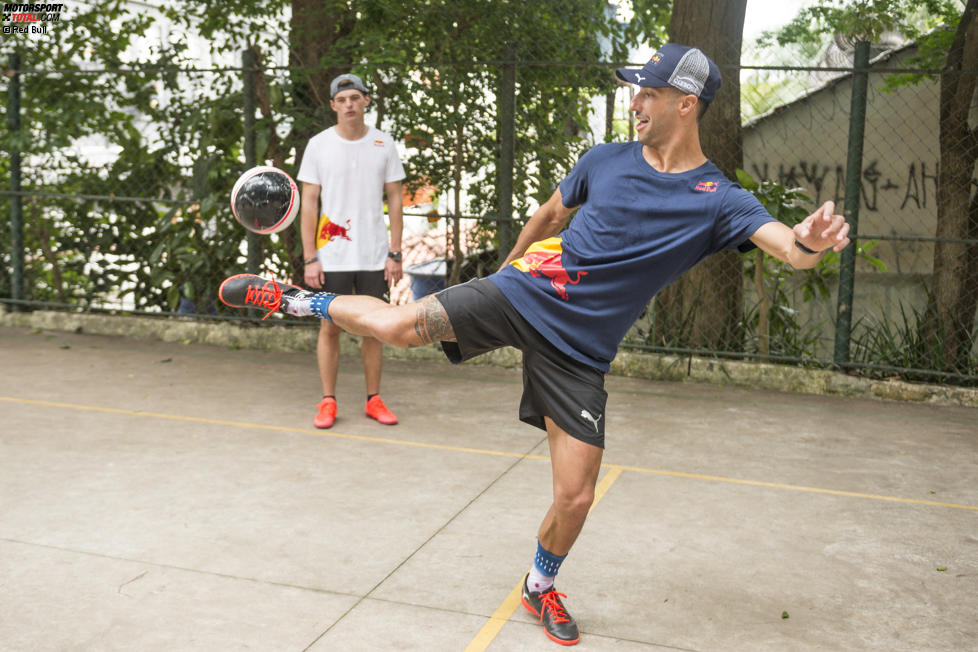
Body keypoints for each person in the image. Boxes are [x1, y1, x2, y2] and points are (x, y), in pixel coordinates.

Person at [219, 44, 851, 646]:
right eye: (635, 93)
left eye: (648, 94)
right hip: (523, 293)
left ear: (686, 103)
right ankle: (294, 300)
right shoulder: (604, 160)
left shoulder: (718, 199)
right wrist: (506, 270)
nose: (635, 104)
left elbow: (792, 251)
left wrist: (814, 240)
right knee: (396, 326)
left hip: (579, 350)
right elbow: (551, 217)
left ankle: (539, 584)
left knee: (575, 495)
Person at [296, 73, 406, 429]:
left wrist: (395, 251)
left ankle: (374, 399)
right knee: (330, 327)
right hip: (332, 256)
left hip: (374, 255)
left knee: (373, 329)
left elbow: (395, 198)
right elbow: (309, 204)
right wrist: (310, 257)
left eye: (355, 98)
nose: (349, 105)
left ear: (366, 101)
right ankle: (328, 401)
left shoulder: (383, 144)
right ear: (332, 105)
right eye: (342, 100)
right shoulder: (318, 145)